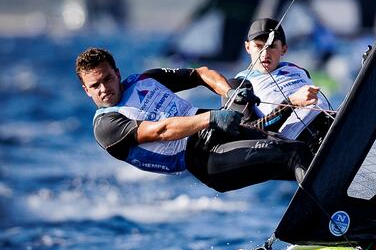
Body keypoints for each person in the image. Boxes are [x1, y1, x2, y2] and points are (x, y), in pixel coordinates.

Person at [76, 46, 314, 193]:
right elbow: (161, 131)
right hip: (206, 159)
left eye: (107, 79)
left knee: (306, 152)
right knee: (294, 154)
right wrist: (210, 118)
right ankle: (329, 230)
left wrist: (227, 93)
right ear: (86, 90)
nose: (103, 88)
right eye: (94, 85)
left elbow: (200, 74)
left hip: (220, 131)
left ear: (116, 74)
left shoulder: (144, 81)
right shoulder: (106, 126)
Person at [235, 18, 334, 150]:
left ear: (284, 49)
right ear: (248, 47)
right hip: (299, 147)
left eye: (272, 46)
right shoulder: (239, 84)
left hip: (333, 126)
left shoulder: (299, 70)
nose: (265, 54)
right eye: (258, 46)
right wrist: (290, 103)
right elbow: (247, 132)